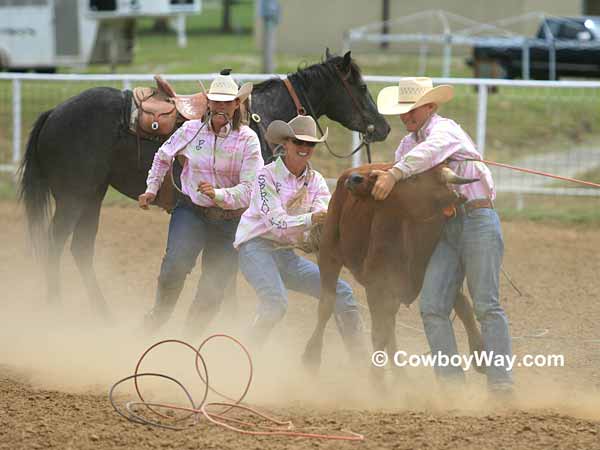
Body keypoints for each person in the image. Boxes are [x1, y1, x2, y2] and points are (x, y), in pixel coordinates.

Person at [371, 77, 513, 393]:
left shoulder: (444, 130)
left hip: (477, 217)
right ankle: (452, 388)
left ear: (431, 107)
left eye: (413, 110)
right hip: (446, 228)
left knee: (486, 305)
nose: (406, 116)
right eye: (402, 111)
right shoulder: (406, 146)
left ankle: (501, 385)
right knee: (432, 305)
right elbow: (406, 174)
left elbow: (428, 154)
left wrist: (394, 174)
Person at [138, 69, 263, 336]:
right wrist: (151, 188)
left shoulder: (248, 140)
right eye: (215, 100)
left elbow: (250, 190)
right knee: (175, 264)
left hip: (231, 220)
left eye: (226, 101)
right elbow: (163, 156)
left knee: (214, 287)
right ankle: (158, 315)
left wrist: (218, 195)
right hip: (192, 211)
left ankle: (189, 337)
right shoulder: (191, 130)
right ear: (208, 102)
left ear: (236, 104)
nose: (220, 106)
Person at [233, 115, 365, 350]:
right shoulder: (266, 175)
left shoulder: (316, 181)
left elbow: (323, 215)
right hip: (255, 248)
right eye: (299, 142)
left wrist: (321, 224)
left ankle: (361, 358)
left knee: (341, 293)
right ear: (286, 143)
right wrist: (312, 219)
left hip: (285, 254)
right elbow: (276, 222)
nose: (304, 148)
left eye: (310, 144)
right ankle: (245, 351)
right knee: (275, 302)